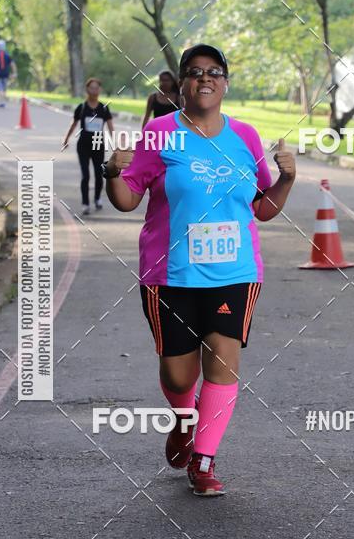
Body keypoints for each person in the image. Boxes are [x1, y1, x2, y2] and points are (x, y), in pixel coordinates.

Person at [103, 44, 296, 496]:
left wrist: (286, 180)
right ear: (182, 84)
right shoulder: (158, 133)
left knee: (223, 360)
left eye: (214, 72)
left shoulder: (245, 136)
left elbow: (262, 208)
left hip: (235, 272)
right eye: (194, 72)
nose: (204, 78)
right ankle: (184, 420)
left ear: (225, 83)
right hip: (170, 274)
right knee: (177, 375)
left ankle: (204, 461)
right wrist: (111, 170)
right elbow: (128, 200)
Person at [63, 78, 114, 215]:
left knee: (99, 174)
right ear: (87, 90)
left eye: (97, 88)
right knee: (85, 175)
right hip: (84, 144)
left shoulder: (103, 108)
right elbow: (73, 124)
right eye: (91, 88)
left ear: (100, 90)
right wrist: (66, 139)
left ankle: (97, 198)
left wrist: (115, 143)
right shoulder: (82, 107)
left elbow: (110, 127)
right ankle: (85, 203)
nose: (94, 91)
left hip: (98, 143)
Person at [0, 39, 17, 107]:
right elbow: (12, 64)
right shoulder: (7, 55)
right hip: (5, 74)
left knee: (0, 88)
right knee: (4, 88)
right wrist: (14, 72)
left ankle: (1, 102)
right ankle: (3, 101)